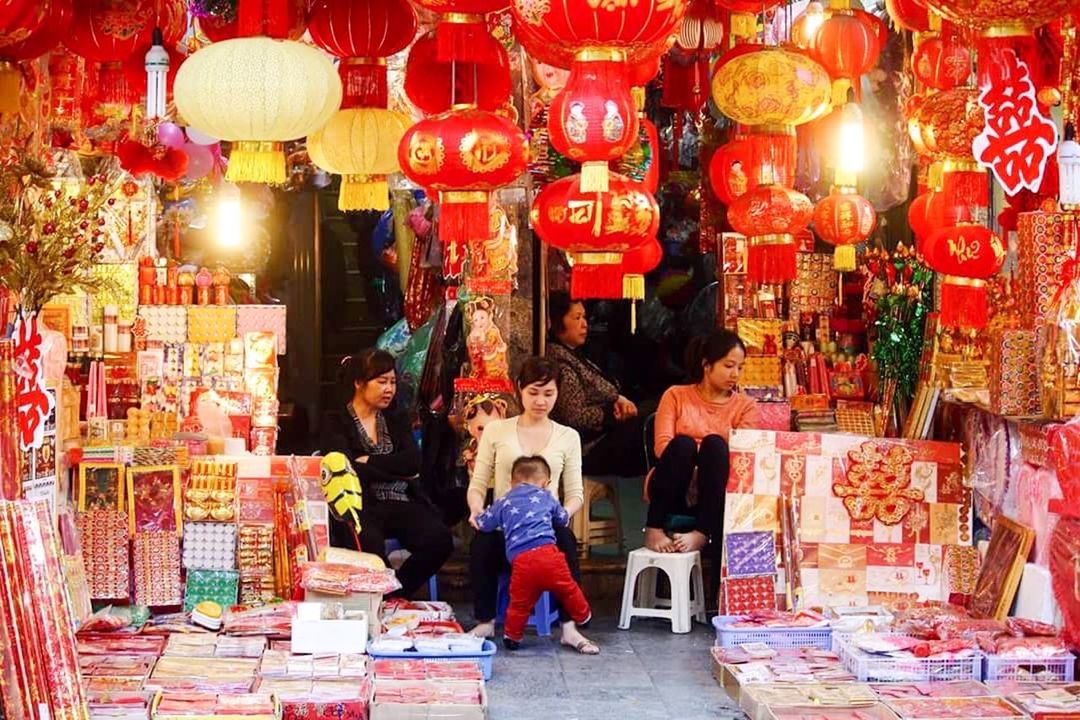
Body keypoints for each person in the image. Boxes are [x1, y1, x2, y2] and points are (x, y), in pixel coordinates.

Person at [467, 357, 598, 654]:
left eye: (548, 394)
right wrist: (476, 509)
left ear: (558, 394)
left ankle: (569, 628)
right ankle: (486, 621)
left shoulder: (568, 436)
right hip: (505, 528)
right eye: (533, 392)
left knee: (565, 540)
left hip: (544, 532)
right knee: (482, 543)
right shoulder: (496, 431)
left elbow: (575, 491)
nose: (540, 401)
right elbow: (478, 484)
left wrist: (564, 513)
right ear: (519, 390)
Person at [320, 349, 453, 598]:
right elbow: (346, 468)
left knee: (440, 540)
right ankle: (384, 595)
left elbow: (413, 462)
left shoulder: (395, 419)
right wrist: (393, 468)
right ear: (359, 383)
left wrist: (368, 460)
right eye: (381, 382)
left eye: (392, 382)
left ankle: (396, 595)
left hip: (400, 500)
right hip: (362, 505)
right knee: (369, 547)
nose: (389, 389)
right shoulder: (336, 420)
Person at [647, 329, 760, 556]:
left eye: (740, 367)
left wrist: (704, 468)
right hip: (675, 483)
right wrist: (694, 468)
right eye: (728, 366)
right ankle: (654, 528)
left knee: (716, 446)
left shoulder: (746, 406)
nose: (735, 374)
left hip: (715, 491)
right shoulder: (675, 395)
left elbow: (742, 457)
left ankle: (702, 532)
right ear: (707, 365)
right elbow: (662, 447)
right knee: (682, 445)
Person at [475, 456, 594, 652]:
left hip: (522, 562)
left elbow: (485, 524)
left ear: (512, 481)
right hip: (550, 557)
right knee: (568, 589)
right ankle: (583, 616)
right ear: (546, 483)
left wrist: (480, 515)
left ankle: (511, 636)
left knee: (519, 602)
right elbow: (562, 517)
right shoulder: (547, 497)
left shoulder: (504, 500)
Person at [545, 291, 647, 477]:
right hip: (587, 448)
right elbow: (573, 417)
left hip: (602, 436)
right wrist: (610, 414)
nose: (584, 324)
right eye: (577, 318)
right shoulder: (562, 365)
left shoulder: (571, 354)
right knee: (650, 419)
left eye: (584, 317)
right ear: (557, 322)